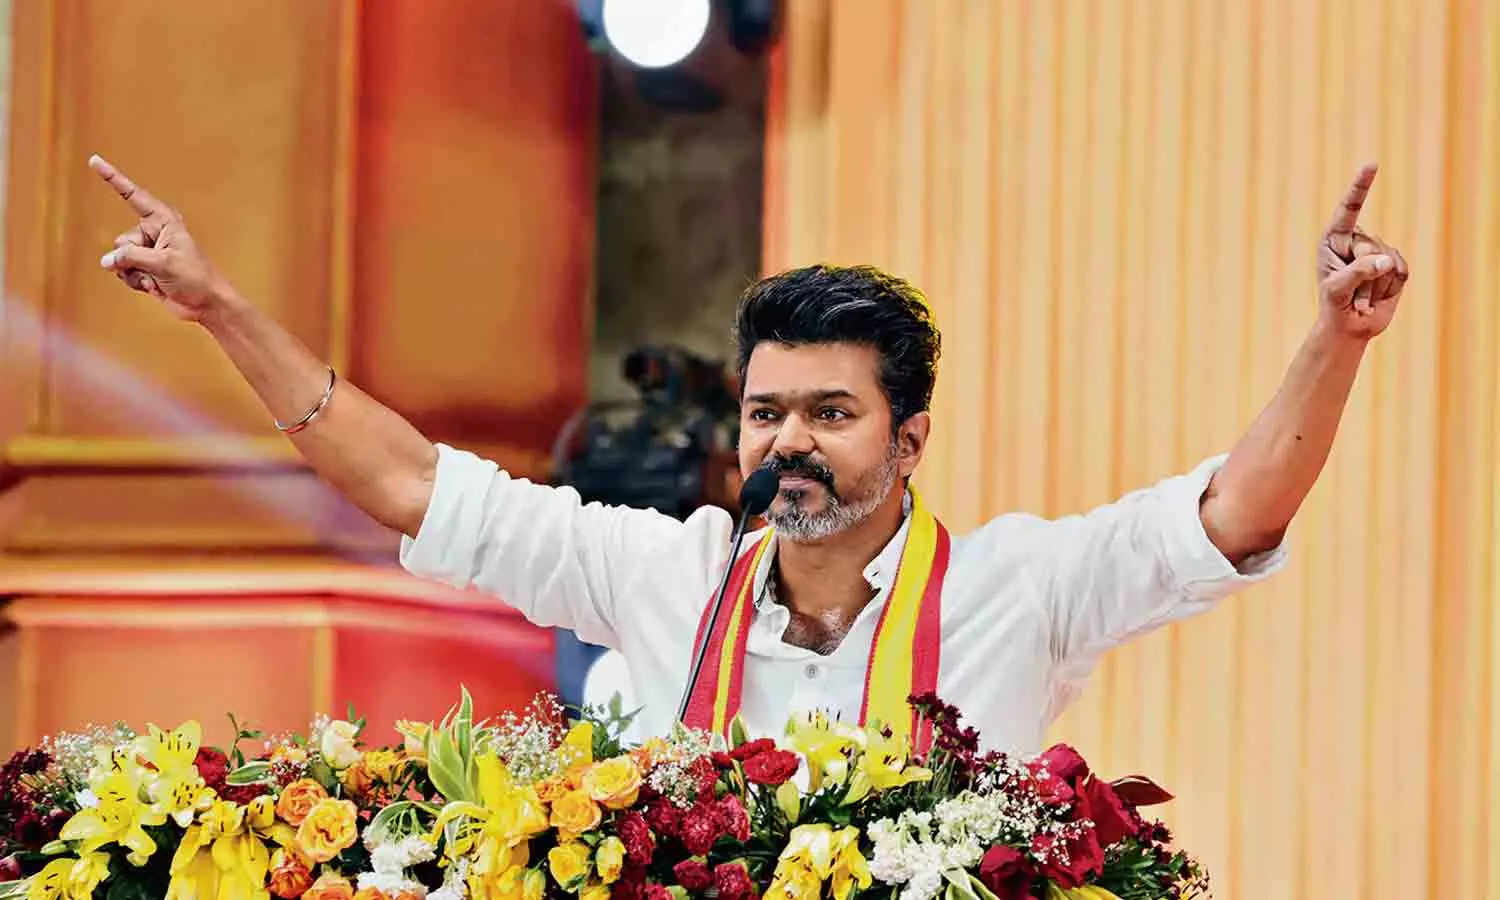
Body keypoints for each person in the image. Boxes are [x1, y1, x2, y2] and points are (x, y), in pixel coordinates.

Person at [89, 155, 1409, 753]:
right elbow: (408, 483)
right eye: (768, 413)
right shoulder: (662, 573)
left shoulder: (1023, 585)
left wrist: (1336, 338)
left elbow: (1233, 515)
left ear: (910, 437)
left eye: (831, 414)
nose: (790, 443)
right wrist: (221, 310)